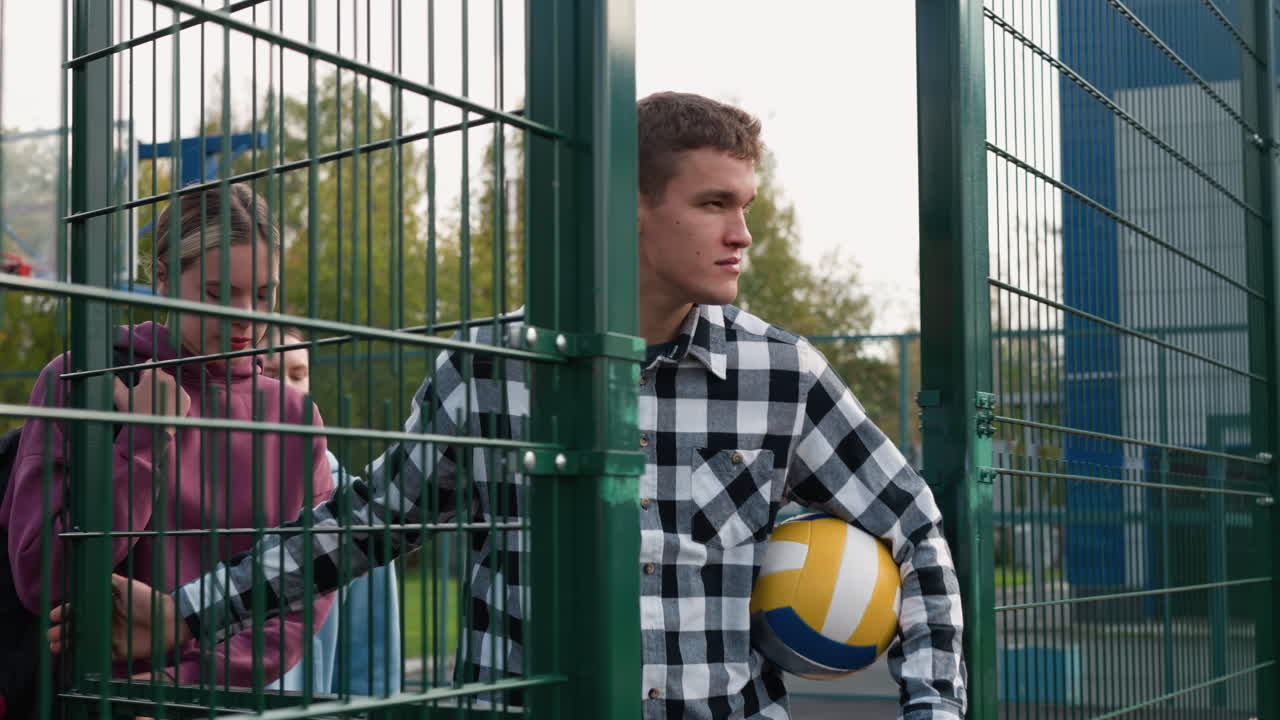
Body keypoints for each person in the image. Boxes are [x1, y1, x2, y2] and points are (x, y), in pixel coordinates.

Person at [54, 94, 966, 718]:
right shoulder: (494, 369)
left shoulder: (782, 374)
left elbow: (913, 527)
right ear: (630, 209)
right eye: (715, 203)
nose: (743, 233)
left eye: (747, 205)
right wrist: (189, 612)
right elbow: (364, 522)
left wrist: (935, 707)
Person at [11, 184, 334, 688]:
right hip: (92, 699)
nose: (246, 317)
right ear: (162, 278)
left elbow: (304, 597)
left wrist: (182, 684)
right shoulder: (83, 379)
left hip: (226, 702)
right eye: (218, 294)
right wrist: (145, 441)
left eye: (264, 294)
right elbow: (40, 577)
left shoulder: (295, 418)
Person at [260, 326, 402, 697]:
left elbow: (371, 661)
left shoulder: (352, 504)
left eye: (298, 374)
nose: (288, 389)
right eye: (270, 374)